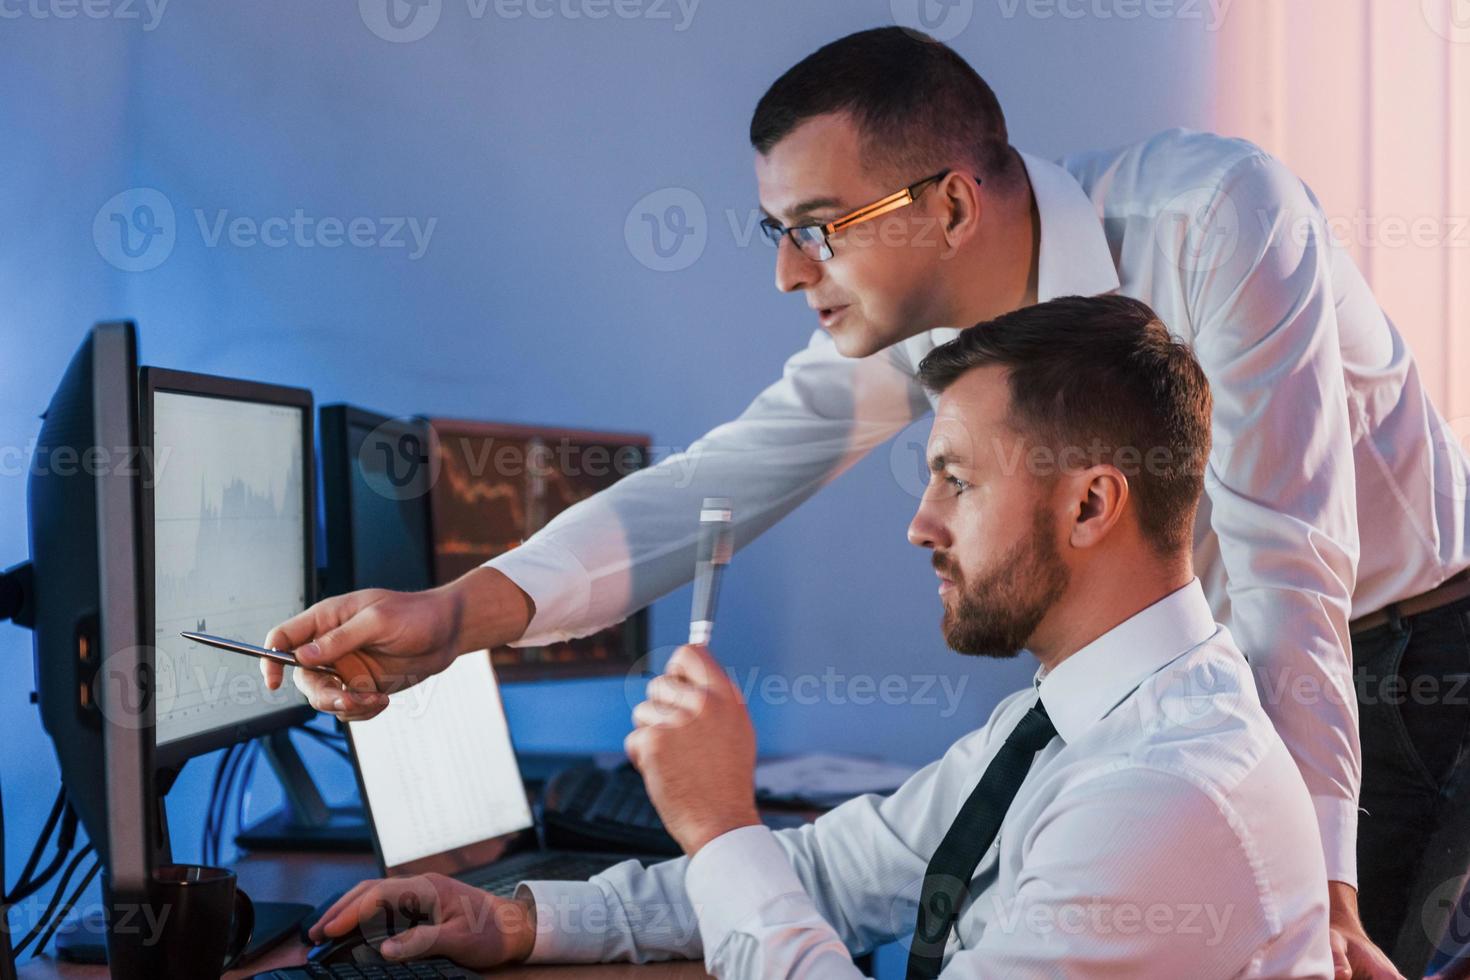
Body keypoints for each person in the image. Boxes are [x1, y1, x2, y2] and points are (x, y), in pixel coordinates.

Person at [264, 28, 1470, 979]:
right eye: (773, 231)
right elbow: (713, 482)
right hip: (1171, 675)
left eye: (814, 229)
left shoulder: (1216, 219)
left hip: (1406, 649)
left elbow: (1288, 571)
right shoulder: (934, 339)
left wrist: (1320, 880)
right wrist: (458, 614)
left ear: (949, 206)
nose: (789, 270)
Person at [305, 295, 1335, 978]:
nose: (920, 522)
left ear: (1089, 505)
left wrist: (717, 822)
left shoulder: (1158, 794)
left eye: (958, 481)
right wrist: (522, 920)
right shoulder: (1066, 719)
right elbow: (839, 876)